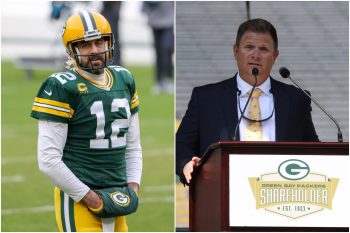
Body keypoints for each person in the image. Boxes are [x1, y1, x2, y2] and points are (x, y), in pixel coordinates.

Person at [31, 11, 142, 232]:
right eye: (84, 45)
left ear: (108, 42)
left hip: (118, 195)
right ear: (72, 50)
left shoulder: (124, 79)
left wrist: (132, 189)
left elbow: (132, 146)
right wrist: (90, 198)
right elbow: (48, 159)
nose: (94, 51)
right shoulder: (61, 86)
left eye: (99, 42)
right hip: (79, 200)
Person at [176, 18, 319, 185]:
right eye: (249, 47)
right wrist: (186, 163)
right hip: (222, 192)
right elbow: (181, 144)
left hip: (280, 193)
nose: (255, 55)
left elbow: (314, 149)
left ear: (275, 56)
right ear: (236, 51)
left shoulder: (296, 99)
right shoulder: (206, 97)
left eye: (264, 49)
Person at [142, 1, 174, 94]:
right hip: (154, 21)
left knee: (166, 49)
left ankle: (168, 79)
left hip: (168, 20)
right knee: (158, 52)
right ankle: (159, 81)